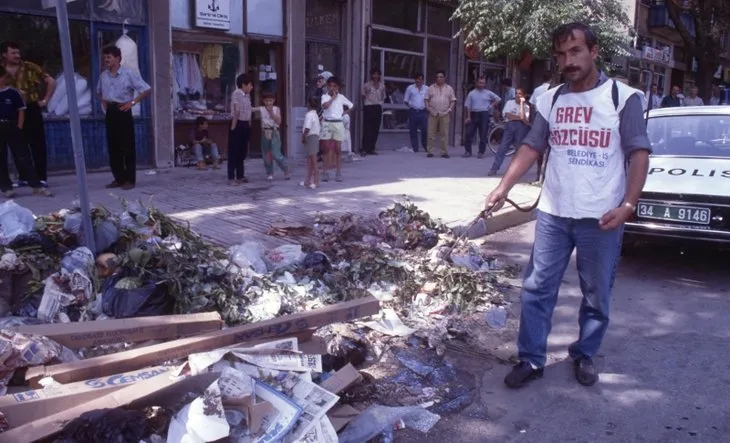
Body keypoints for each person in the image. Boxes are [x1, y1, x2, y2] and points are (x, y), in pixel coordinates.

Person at [484, 22, 651, 389]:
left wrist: (628, 204)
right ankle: (531, 359)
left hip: (602, 216)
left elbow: (638, 153)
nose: (568, 60)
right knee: (537, 287)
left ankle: (584, 353)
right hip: (554, 212)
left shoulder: (623, 98)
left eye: (575, 51)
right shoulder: (551, 98)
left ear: (594, 52)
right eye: (561, 54)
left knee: (596, 293)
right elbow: (531, 146)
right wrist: (503, 186)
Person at [0, 41, 56, 188]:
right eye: (13, 53)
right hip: (10, 112)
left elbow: (50, 81)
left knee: (37, 143)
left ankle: (41, 177)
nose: (17, 56)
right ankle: (24, 177)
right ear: (4, 54)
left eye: (18, 53)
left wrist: (45, 100)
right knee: (18, 145)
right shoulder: (2, 70)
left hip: (31, 108)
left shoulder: (29, 67)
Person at [97, 45, 151, 190]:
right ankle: (118, 178)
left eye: (109, 57)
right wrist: (105, 105)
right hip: (110, 112)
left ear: (118, 58)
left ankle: (129, 180)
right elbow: (99, 92)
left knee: (127, 146)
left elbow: (146, 89)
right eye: (105, 57)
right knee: (113, 146)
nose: (106, 60)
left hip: (123, 110)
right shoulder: (103, 75)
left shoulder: (128, 74)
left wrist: (132, 103)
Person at [488, 88, 529, 175]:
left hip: (521, 129)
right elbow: (508, 115)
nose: (518, 96)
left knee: (519, 150)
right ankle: (494, 168)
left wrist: (522, 105)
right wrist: (520, 117)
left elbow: (525, 120)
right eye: (517, 93)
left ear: (524, 96)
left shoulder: (526, 107)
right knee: (502, 148)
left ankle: (515, 171)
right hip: (510, 126)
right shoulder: (510, 103)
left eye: (520, 94)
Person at [320, 76, 353, 182]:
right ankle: (325, 172)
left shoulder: (341, 97)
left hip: (338, 123)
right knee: (326, 149)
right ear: (327, 87)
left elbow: (351, 106)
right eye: (330, 86)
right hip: (327, 123)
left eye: (335, 86)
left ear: (338, 87)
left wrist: (344, 113)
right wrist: (332, 98)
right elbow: (325, 107)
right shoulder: (324, 97)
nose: (332, 88)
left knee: (338, 150)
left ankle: (338, 173)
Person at [253, 91, 290, 181]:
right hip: (265, 132)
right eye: (266, 101)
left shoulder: (276, 109)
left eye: (270, 100)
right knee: (266, 154)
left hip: (274, 132)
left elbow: (279, 122)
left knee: (276, 153)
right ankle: (269, 172)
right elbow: (252, 109)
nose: (268, 103)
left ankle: (286, 170)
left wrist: (271, 113)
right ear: (263, 101)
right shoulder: (262, 109)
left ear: (274, 100)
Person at [463, 76, 501, 158]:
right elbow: (468, 106)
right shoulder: (471, 93)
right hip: (473, 114)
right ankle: (468, 151)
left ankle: (481, 152)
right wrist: (468, 117)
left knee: (483, 135)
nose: (481, 84)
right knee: (468, 134)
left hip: (484, 114)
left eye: (483, 83)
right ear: (476, 83)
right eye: (480, 82)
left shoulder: (488, 93)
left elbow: (498, 99)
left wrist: (491, 106)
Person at [228, 73, 254, 185]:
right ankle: (231, 177)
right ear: (243, 84)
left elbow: (248, 109)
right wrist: (233, 127)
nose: (252, 87)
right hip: (237, 123)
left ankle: (240, 175)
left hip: (245, 124)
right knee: (234, 151)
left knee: (242, 151)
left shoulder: (247, 95)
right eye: (250, 84)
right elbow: (236, 110)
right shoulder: (237, 93)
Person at [425, 70, 456, 159]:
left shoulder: (449, 88)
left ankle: (444, 152)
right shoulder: (431, 88)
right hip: (433, 113)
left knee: (444, 134)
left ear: (444, 78)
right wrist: (428, 109)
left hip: (445, 113)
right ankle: (430, 151)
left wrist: (449, 110)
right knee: (431, 133)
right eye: (437, 77)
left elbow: (453, 100)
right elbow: (426, 99)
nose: (439, 78)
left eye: (441, 77)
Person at [361, 68, 386, 156]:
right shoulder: (367, 85)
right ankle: (364, 148)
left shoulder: (382, 86)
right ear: (371, 75)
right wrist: (368, 101)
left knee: (375, 128)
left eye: (377, 74)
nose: (375, 76)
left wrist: (379, 102)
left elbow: (383, 96)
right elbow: (363, 95)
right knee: (367, 128)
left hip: (377, 107)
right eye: (374, 74)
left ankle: (372, 148)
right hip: (368, 107)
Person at [404, 73, 428, 153]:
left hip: (423, 112)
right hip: (413, 111)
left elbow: (430, 100)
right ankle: (415, 148)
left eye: (420, 79)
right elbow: (406, 100)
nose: (418, 81)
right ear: (415, 80)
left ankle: (425, 146)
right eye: (417, 79)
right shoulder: (410, 88)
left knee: (424, 130)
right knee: (413, 130)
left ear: (423, 80)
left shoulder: (427, 88)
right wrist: (412, 105)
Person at [300, 96, 321, 189]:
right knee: (310, 161)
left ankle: (316, 182)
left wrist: (303, 137)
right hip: (314, 137)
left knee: (313, 160)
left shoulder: (309, 115)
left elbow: (307, 128)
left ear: (308, 103)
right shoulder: (315, 114)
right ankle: (307, 181)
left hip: (311, 137)